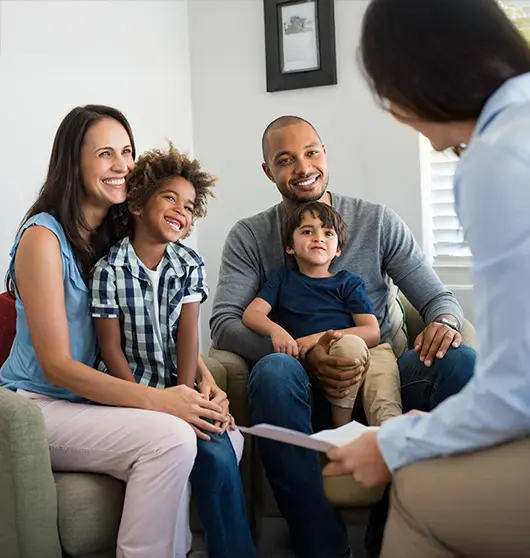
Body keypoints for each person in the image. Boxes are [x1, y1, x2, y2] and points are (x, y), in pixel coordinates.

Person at [210, 114, 477, 558]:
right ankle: (323, 545)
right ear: (268, 171)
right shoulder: (251, 236)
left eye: (311, 152)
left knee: (461, 362)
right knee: (274, 373)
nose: (303, 167)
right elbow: (226, 322)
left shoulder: (376, 221)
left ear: (324, 154)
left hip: (380, 370)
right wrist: (302, 355)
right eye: (285, 159)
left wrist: (444, 324)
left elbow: (438, 299)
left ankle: (397, 531)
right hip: (296, 384)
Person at [324, 0, 530, 556]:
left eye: (390, 94)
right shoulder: (255, 239)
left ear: (425, 73)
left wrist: (398, 442)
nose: (395, 116)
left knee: (414, 486)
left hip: (400, 364)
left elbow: (515, 389)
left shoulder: (497, 158)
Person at [0, 105, 230, 558]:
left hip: (91, 401)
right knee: (171, 435)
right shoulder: (42, 239)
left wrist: (203, 382)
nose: (123, 165)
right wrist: (163, 401)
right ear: (74, 162)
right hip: (35, 407)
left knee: (207, 431)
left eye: (126, 151)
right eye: (106, 154)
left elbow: (159, 319)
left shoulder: (116, 235)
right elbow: (57, 365)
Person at [89, 143, 256, 558]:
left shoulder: (189, 264)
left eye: (189, 204)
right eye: (170, 198)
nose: (181, 209)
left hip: (175, 387)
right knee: (201, 444)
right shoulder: (108, 271)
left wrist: (187, 396)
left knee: (218, 446)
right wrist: (147, 404)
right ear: (137, 203)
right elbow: (110, 350)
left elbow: (188, 338)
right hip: (129, 394)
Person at [242, 201, 401, 427]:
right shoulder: (282, 279)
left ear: (338, 250)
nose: (318, 238)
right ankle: (341, 432)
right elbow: (252, 314)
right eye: (308, 231)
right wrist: (276, 331)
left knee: (382, 392)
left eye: (328, 233)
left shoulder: (348, 282)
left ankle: (390, 443)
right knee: (348, 348)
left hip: (369, 352)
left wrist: (314, 338)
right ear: (290, 246)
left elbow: (371, 332)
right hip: (324, 360)